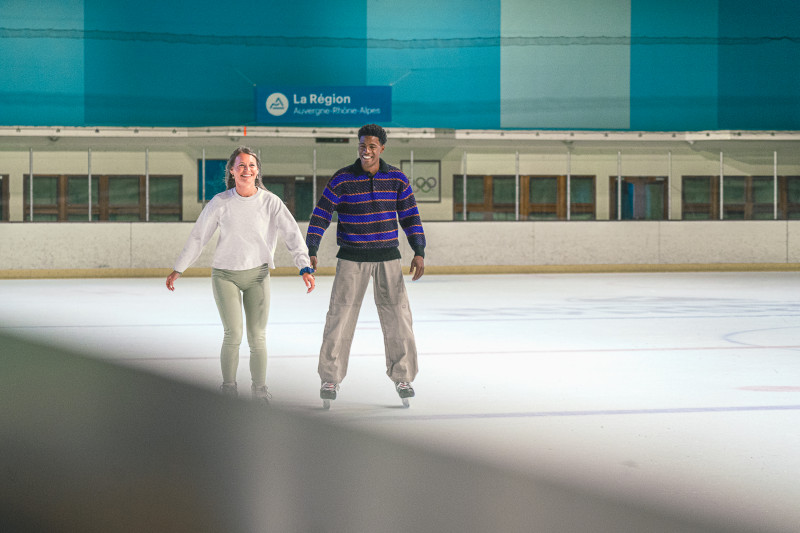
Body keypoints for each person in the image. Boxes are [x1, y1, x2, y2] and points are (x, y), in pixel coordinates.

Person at [166, 146, 315, 404]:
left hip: (258, 276)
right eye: (241, 165)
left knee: (257, 337)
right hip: (225, 276)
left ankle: (259, 390)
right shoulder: (220, 202)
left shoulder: (270, 202)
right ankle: (229, 389)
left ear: (258, 171)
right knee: (233, 334)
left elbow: (292, 234)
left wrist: (304, 266)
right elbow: (199, 236)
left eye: (251, 165)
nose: (247, 170)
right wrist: (180, 267)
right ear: (232, 171)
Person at [306, 124, 425, 406]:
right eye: (362, 145)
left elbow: (410, 216)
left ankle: (403, 376)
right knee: (339, 317)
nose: (366, 151)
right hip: (352, 258)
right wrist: (311, 248)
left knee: (399, 318)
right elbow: (321, 214)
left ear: (382, 148)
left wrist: (419, 250)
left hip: (388, 258)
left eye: (372, 146)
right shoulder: (342, 179)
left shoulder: (396, 178)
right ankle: (330, 377)